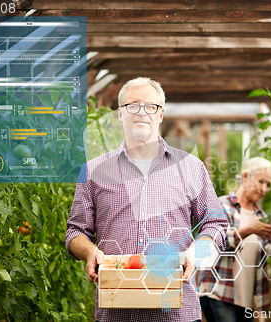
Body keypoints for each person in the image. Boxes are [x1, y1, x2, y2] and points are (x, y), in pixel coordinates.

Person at [65, 77, 229, 322]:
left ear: (160, 114)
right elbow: (75, 231)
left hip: (176, 312)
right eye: (132, 106)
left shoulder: (191, 167)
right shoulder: (93, 170)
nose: (141, 112)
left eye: (150, 106)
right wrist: (89, 252)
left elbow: (215, 224)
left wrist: (196, 254)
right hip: (116, 312)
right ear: (120, 114)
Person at [196, 157, 271, 322]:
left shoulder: (262, 217)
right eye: (261, 181)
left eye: (268, 184)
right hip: (218, 291)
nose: (264, 189)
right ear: (246, 177)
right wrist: (248, 230)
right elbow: (209, 244)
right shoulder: (221, 205)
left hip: (246, 298)